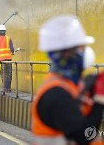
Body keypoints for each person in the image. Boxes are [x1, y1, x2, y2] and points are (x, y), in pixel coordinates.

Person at [31, 15, 104, 145]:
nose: (86, 52)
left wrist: (93, 87)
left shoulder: (68, 84)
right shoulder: (56, 95)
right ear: (67, 53)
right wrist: (99, 99)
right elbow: (84, 136)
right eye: (82, 48)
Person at [0, 24, 14, 93]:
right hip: (8, 59)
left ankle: (4, 88)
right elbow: (12, 48)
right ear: (5, 31)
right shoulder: (8, 38)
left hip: (0, 60)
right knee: (8, 74)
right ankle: (8, 88)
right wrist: (12, 52)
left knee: (3, 74)